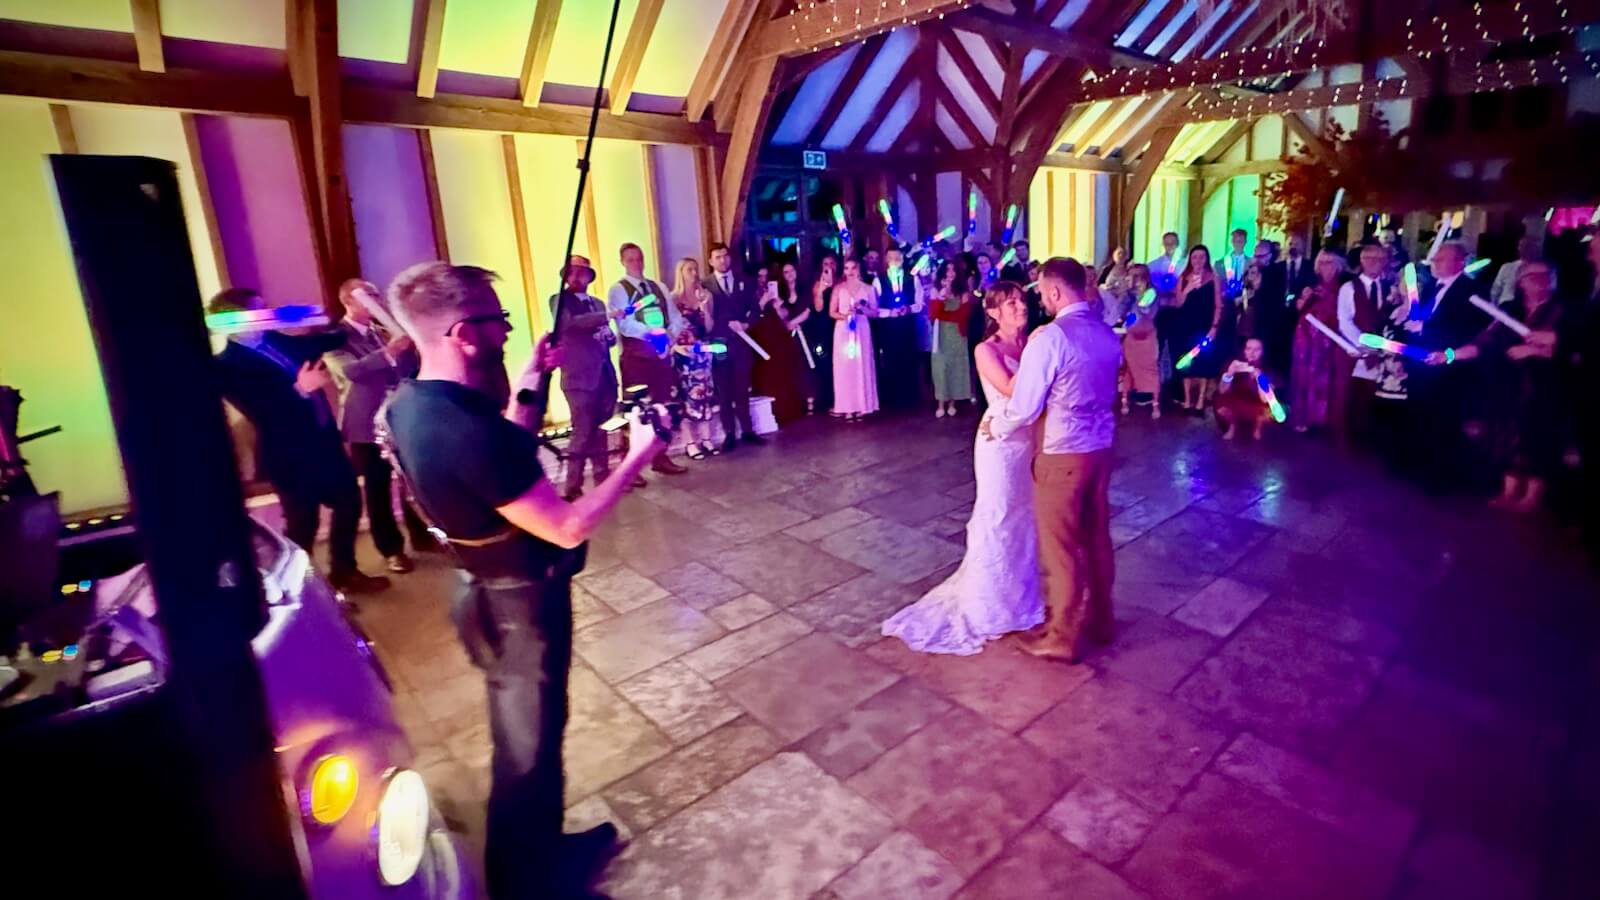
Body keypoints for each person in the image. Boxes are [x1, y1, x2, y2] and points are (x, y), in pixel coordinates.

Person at [381, 261, 662, 899]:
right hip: (520, 609)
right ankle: (529, 882)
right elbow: (566, 526)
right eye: (495, 320)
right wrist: (636, 455)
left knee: (531, 736)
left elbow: (503, 451)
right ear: (462, 335)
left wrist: (533, 376)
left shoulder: (416, 404)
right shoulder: (464, 429)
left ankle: (544, 849)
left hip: (481, 592)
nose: (507, 330)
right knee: (526, 750)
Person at [882, 282, 1043, 654]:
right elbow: (1010, 391)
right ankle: (989, 607)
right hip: (1000, 446)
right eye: (1011, 303)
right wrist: (1037, 352)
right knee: (998, 517)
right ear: (993, 312)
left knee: (1024, 520)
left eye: (1021, 300)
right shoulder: (986, 349)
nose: (1021, 307)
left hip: (1029, 442)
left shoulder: (1029, 344)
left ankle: (1019, 599)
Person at [982, 258, 1121, 663]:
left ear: (1057, 292)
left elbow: (1025, 406)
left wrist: (999, 427)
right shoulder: (1106, 333)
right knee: (1096, 537)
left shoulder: (1051, 337)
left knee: (1060, 546)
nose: (1038, 298)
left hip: (1062, 452)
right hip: (1101, 448)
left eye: (1041, 291)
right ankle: (1101, 619)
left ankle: (1062, 636)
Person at [210, 288, 389, 594]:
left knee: (349, 503)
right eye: (259, 310)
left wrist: (349, 318)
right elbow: (260, 411)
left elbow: (321, 341)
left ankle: (344, 572)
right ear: (234, 320)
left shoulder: (277, 340)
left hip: (324, 444)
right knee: (302, 525)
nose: (268, 315)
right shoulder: (224, 365)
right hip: (289, 455)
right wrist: (300, 389)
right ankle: (301, 591)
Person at [1425, 258, 1564, 509]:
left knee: (1539, 438)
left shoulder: (1562, 310)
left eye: (1547, 276)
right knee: (1508, 434)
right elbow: (1484, 342)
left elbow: (1573, 349)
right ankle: (1509, 491)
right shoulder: (1511, 310)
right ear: (1521, 282)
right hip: (1511, 386)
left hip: (1546, 389)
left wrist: (1535, 351)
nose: (1541, 281)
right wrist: (1449, 355)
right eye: (1534, 276)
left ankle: (1532, 495)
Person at [326, 278, 435, 572]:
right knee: (378, 489)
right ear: (348, 301)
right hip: (364, 424)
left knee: (412, 481)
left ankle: (423, 537)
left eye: (376, 293)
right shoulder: (334, 336)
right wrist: (390, 352)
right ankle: (391, 549)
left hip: (399, 417)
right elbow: (351, 371)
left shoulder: (382, 332)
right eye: (368, 295)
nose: (376, 300)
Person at [1406, 241, 1495, 493]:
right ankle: (1425, 468)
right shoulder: (1433, 287)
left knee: (1446, 419)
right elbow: (1426, 319)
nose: (1434, 263)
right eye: (1435, 259)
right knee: (1426, 417)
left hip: (1450, 367)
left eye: (1441, 258)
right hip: (1426, 364)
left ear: (1458, 261)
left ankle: (1443, 477)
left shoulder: (1472, 290)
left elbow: (1473, 330)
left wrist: (1447, 354)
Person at [548, 255, 633, 500]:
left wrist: (608, 334)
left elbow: (608, 336)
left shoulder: (597, 303)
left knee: (602, 430)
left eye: (581, 273)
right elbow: (570, 325)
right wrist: (607, 316)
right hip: (578, 379)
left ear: (589, 277)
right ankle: (572, 488)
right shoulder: (559, 300)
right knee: (582, 432)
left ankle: (603, 479)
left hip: (603, 375)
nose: (576, 277)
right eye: (571, 273)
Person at [607, 242, 687, 476]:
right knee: (634, 411)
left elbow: (674, 316)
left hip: (660, 357)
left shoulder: (658, 286)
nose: (636, 263)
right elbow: (626, 324)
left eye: (639, 258)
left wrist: (669, 337)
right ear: (622, 262)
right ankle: (630, 471)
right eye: (630, 259)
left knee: (662, 408)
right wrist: (654, 334)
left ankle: (660, 457)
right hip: (636, 358)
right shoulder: (618, 289)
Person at [1337, 243, 1403, 446]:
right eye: (1371, 259)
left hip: (1385, 354)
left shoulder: (1390, 287)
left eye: (1380, 259)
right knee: (1357, 397)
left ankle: (1374, 440)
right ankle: (1353, 440)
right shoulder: (1349, 288)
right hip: (1360, 352)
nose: (1376, 263)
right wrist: (1363, 344)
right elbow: (1344, 319)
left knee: (1378, 398)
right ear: (1363, 261)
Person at [704, 242, 764, 450]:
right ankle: (729, 432)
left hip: (741, 343)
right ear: (711, 261)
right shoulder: (705, 285)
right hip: (719, 344)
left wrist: (746, 324)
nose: (723, 260)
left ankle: (747, 430)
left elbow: (756, 312)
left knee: (742, 389)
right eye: (718, 257)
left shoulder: (744, 282)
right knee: (723, 391)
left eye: (725, 256)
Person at [1288, 249, 1352, 433]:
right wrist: (1302, 299)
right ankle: (1302, 418)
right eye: (1322, 262)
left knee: (1324, 379)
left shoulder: (1345, 284)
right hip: (1305, 338)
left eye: (1330, 262)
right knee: (1303, 377)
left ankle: (1321, 420)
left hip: (1328, 340)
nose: (1326, 266)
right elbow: (1296, 305)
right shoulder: (1311, 281)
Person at [671, 258, 721, 459]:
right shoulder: (674, 298)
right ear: (681, 273)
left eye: (695, 269)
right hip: (684, 353)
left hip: (703, 352)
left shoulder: (706, 295)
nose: (694, 273)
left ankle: (707, 438)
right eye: (689, 269)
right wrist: (675, 346)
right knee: (687, 398)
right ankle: (690, 442)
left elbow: (709, 327)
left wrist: (704, 308)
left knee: (706, 395)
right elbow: (669, 328)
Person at [751, 260, 810, 423]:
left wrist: (778, 305)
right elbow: (751, 315)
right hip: (760, 336)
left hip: (778, 335)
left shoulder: (778, 291)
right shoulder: (751, 292)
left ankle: (789, 409)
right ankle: (772, 412)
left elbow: (785, 316)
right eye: (760, 276)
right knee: (766, 373)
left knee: (785, 371)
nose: (763, 279)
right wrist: (762, 302)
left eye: (766, 276)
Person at [1172, 245, 1227, 412]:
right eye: (1195, 257)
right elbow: (1178, 303)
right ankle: (1188, 400)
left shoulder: (1213, 278)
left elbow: (1218, 305)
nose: (1198, 261)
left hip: (1204, 325)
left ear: (1206, 259)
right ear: (1190, 259)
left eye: (1201, 257)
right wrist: (1188, 288)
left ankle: (1201, 400)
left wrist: (1214, 327)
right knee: (1186, 361)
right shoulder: (1183, 278)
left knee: (1203, 362)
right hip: (1185, 326)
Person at [870, 246, 925, 411]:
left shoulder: (912, 279)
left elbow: (920, 303)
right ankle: (892, 400)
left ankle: (910, 399)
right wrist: (889, 313)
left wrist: (908, 308)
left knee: (909, 359)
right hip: (888, 327)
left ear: (902, 260)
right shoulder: (878, 280)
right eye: (891, 258)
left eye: (897, 258)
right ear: (886, 260)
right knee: (890, 360)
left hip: (907, 326)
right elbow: (874, 307)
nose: (894, 261)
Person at [830, 257, 880, 420]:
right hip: (843, 329)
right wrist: (846, 316)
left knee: (862, 365)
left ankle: (862, 404)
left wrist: (862, 309)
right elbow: (832, 312)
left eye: (853, 268)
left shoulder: (868, 288)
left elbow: (875, 312)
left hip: (861, 329)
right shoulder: (838, 288)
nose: (850, 272)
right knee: (844, 367)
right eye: (846, 268)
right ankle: (846, 406)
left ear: (859, 269)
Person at [929, 261, 975, 417]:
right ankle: (940, 402)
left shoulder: (963, 292)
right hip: (940, 332)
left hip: (957, 333)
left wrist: (946, 315)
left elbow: (964, 314)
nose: (950, 273)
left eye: (953, 269)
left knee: (956, 365)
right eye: (947, 270)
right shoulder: (936, 290)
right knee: (940, 366)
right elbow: (933, 314)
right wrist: (942, 297)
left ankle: (953, 402)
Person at [1214, 338, 1281, 441]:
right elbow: (1222, 391)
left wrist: (1260, 379)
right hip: (1237, 402)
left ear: (1263, 352)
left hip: (1258, 405)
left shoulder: (1268, 369)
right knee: (1220, 404)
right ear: (1243, 350)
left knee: (1270, 413)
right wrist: (1229, 373)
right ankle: (1232, 426)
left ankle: (1258, 427)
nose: (1252, 353)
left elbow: (1265, 399)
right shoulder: (1236, 364)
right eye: (1248, 349)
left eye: (1257, 349)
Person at [1120, 264, 1161, 418]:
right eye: (1132, 275)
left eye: (1138, 275)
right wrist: (1127, 295)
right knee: (1129, 369)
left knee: (1151, 370)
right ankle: (1125, 401)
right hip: (1132, 338)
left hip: (1147, 337)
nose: (1135, 279)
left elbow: (1147, 312)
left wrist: (1138, 297)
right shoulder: (1128, 295)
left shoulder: (1152, 293)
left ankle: (1155, 404)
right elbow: (1122, 313)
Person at [804, 255, 839, 413]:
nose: (829, 266)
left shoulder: (841, 282)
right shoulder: (817, 284)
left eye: (832, 263)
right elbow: (817, 308)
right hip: (822, 326)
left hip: (839, 324)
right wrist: (821, 290)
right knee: (824, 362)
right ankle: (827, 398)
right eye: (826, 264)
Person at [1492, 236, 1542, 306]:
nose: (1520, 248)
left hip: (1527, 309)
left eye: (1527, 246)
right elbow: (1495, 291)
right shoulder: (1507, 267)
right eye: (1521, 246)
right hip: (1505, 307)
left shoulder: (1542, 272)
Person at [1216, 228, 1250, 300]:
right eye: (1235, 241)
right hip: (1225, 299)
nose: (1237, 244)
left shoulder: (1251, 262)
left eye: (1240, 241)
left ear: (1245, 242)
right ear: (1231, 241)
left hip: (1244, 299)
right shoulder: (1220, 263)